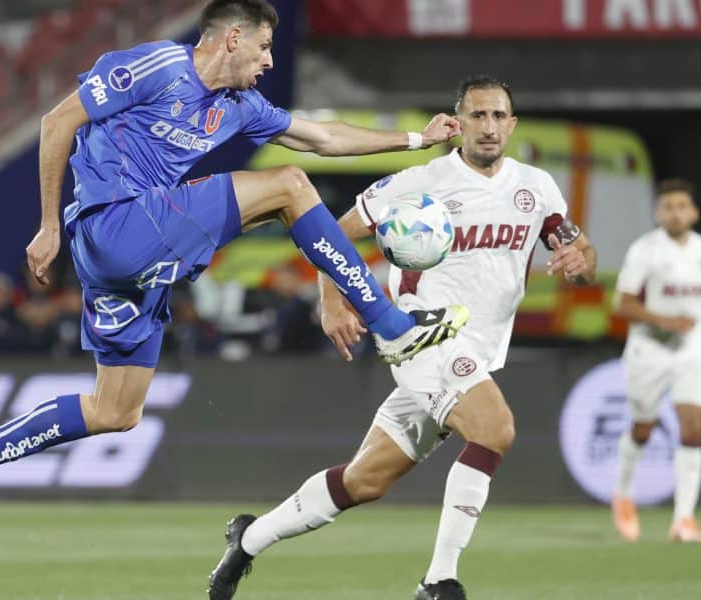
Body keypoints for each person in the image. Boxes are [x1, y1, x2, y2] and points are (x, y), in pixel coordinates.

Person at [0, 0, 469, 539]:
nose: (271, 60)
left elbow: (322, 136)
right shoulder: (160, 66)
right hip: (113, 224)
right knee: (289, 187)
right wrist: (49, 224)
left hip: (125, 264)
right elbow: (57, 123)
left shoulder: (242, 107)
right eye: (265, 47)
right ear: (233, 38)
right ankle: (394, 328)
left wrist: (419, 138)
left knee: (115, 410)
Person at [207, 75, 598, 600]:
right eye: (477, 116)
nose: (488, 127)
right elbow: (330, 229)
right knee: (495, 429)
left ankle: (247, 539)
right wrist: (331, 298)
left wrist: (580, 262)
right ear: (457, 124)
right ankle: (439, 580)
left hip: (478, 352)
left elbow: (580, 256)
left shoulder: (538, 188)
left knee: (364, 481)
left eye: (498, 116)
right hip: (423, 336)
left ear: (513, 124)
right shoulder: (422, 181)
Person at [610, 178, 701, 543]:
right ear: (658, 213)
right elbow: (622, 304)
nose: (676, 212)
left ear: (694, 212)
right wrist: (665, 321)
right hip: (650, 348)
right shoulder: (645, 250)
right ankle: (623, 494)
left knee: (693, 428)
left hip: (691, 347)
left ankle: (684, 519)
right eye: (668, 206)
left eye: (682, 206)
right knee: (644, 426)